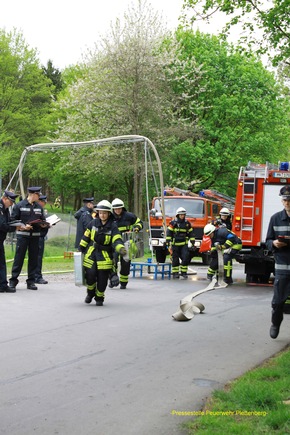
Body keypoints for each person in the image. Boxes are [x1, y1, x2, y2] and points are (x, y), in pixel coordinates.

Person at [79, 200, 127, 306]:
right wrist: (80, 249)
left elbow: (117, 239)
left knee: (102, 280)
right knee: (90, 275)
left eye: (104, 213)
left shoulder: (113, 226)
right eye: (100, 212)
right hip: (92, 253)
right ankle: (90, 293)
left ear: (109, 213)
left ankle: (99, 297)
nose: (102, 215)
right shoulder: (93, 223)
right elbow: (86, 236)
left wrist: (121, 248)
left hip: (105, 256)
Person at [9, 186, 46, 291]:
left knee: (33, 260)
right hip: (22, 237)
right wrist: (23, 226)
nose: (39, 197)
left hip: (35, 237)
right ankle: (13, 281)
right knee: (18, 259)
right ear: (32, 194)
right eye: (38, 195)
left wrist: (44, 225)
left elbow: (42, 219)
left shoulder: (39, 207)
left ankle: (31, 281)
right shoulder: (19, 205)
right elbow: (13, 220)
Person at [266, 185, 290, 339]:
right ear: (282, 201)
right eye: (285, 200)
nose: (287, 203)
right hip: (282, 268)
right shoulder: (275, 218)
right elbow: (267, 240)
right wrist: (274, 244)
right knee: (278, 302)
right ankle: (275, 324)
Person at [111, 198, 143, 289]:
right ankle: (113, 278)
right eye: (116, 209)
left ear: (122, 208)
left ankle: (124, 282)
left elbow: (139, 222)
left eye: (119, 208)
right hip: (114, 243)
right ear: (113, 209)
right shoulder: (110, 217)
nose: (117, 210)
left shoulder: (129, 216)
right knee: (112, 260)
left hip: (126, 242)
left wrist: (136, 228)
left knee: (125, 262)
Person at [166, 207, 196, 279]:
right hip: (175, 244)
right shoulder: (173, 223)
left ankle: (183, 272)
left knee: (186, 257)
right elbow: (169, 232)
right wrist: (168, 241)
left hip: (183, 244)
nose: (182, 216)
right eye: (181, 215)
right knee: (175, 259)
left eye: (183, 214)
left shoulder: (187, 223)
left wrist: (192, 241)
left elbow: (191, 232)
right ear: (178, 215)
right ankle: (175, 273)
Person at [0, 190, 19, 293]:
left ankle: (2, 285)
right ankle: (2, 284)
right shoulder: (0, 208)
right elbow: (2, 225)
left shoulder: (5, 208)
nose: (11, 204)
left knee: (2, 263)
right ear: (5, 198)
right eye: (10, 202)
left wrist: (18, 224)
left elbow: (8, 221)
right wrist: (15, 228)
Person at [35, 195, 50, 284]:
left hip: (40, 235)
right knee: (37, 257)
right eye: (43, 202)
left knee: (38, 257)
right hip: (38, 236)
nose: (44, 204)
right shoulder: (37, 211)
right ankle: (37, 276)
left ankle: (35, 276)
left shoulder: (41, 211)